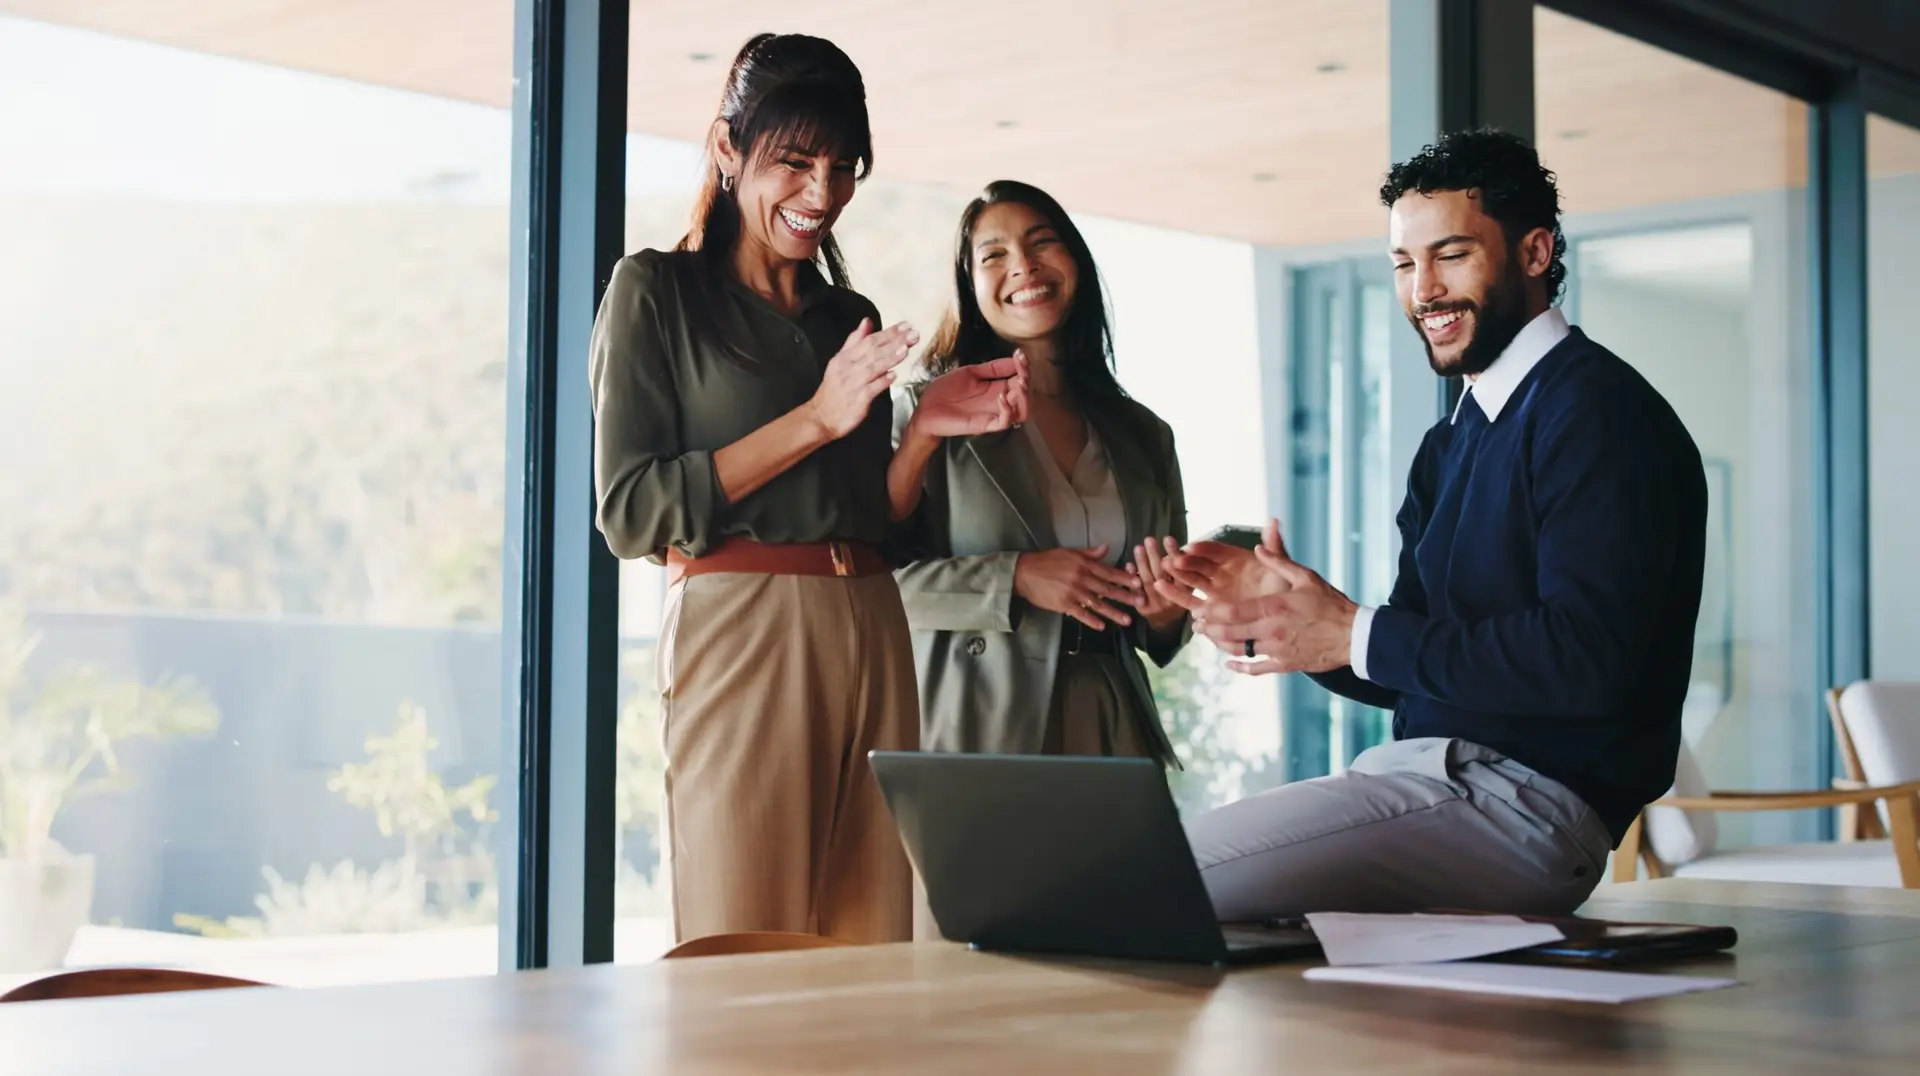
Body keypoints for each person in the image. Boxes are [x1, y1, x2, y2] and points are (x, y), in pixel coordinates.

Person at [1158, 128, 1708, 918]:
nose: (1424, 290)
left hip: (1525, 808)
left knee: (1153, 882)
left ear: (1535, 252)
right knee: (1170, 898)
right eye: (1404, 264)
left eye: (1451, 255)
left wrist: (1354, 632)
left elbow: (1588, 660)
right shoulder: (1450, 442)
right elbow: (1417, 658)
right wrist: (1300, 627)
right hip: (1424, 781)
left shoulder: (1598, 413)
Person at [588, 34, 1028, 945]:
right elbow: (630, 513)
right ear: (727, 148)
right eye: (793, 162)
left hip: (872, 621)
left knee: (871, 948)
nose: (821, 194)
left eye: (842, 167)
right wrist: (817, 419)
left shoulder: (846, 318)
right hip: (741, 622)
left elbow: (874, 519)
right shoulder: (657, 292)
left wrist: (925, 428)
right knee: (740, 946)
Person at [892, 180, 1190, 765]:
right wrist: (1017, 577)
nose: (1024, 266)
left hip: (1113, 719)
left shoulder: (1145, 434)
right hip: (979, 721)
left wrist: (1165, 611)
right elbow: (874, 586)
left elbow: (1162, 631)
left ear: (1074, 259)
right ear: (968, 284)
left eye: (1041, 242)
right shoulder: (929, 413)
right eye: (994, 255)